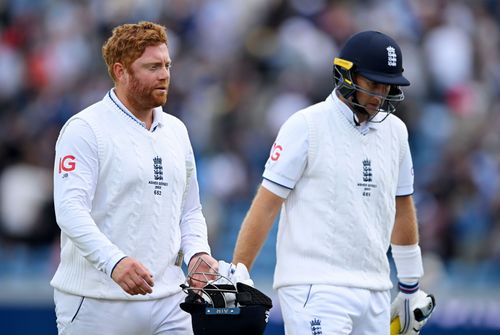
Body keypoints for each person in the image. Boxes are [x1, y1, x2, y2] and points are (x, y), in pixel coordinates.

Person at [232, 31, 435, 335]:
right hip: (314, 286)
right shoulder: (306, 125)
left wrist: (409, 286)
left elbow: (402, 205)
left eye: (388, 85)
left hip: (375, 287)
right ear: (346, 75)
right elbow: (266, 206)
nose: (381, 95)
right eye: (373, 84)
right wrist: (239, 273)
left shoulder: (396, 132)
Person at [51, 21, 218, 335]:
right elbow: (70, 211)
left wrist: (197, 252)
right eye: (152, 66)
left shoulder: (177, 131)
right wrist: (114, 262)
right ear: (120, 71)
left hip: (170, 301)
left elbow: (190, 210)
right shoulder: (85, 129)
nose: (165, 74)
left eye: (167, 65)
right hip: (97, 302)